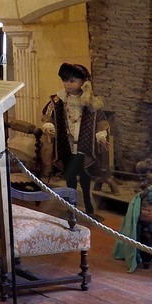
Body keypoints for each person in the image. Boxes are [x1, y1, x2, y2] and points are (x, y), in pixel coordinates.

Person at [39, 62, 111, 212]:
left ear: (82, 83)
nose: (68, 84)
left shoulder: (91, 102)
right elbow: (48, 117)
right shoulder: (58, 100)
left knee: (84, 174)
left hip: (84, 143)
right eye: (65, 80)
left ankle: (86, 201)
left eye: (72, 81)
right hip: (66, 144)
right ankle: (71, 204)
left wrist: (102, 134)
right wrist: (49, 126)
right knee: (70, 175)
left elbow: (101, 121)